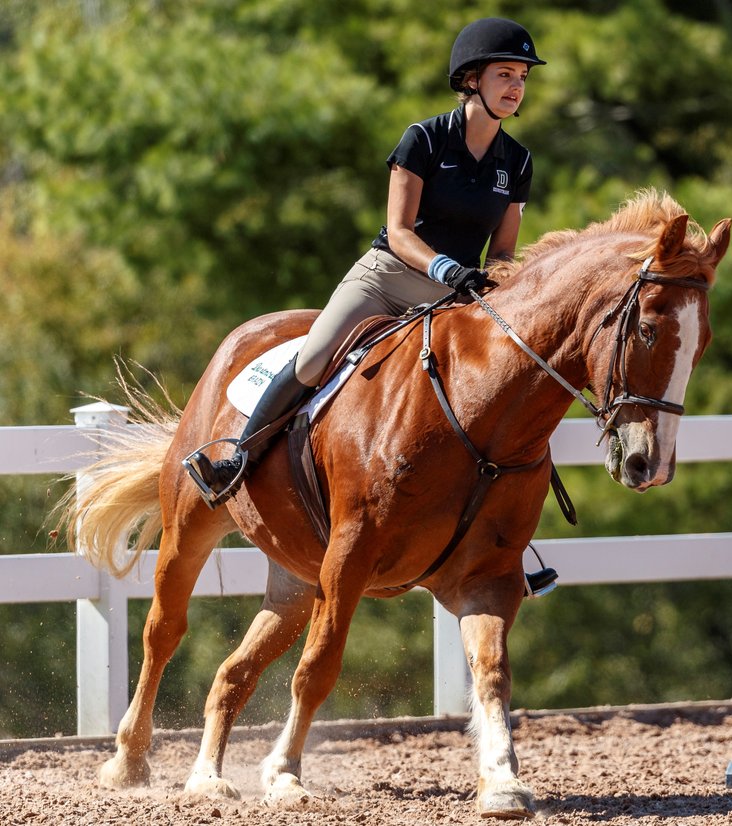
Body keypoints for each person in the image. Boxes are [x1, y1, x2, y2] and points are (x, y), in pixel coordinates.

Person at [184, 17, 546, 509]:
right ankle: (236, 459)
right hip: (388, 279)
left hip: (454, 298)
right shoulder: (423, 139)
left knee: (504, 390)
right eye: (505, 74)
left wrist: (493, 284)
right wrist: (445, 268)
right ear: (471, 79)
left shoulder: (518, 162)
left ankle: (508, 535)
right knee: (313, 359)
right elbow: (399, 231)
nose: (516, 87)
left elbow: (502, 252)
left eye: (522, 77)